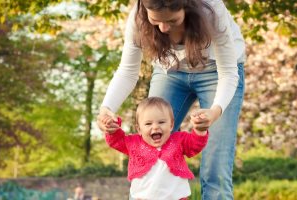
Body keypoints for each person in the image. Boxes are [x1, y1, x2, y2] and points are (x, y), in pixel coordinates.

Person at [97, 0, 245, 198]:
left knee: (216, 168)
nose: (164, 27)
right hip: (170, 71)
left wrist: (215, 111)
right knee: (147, 147)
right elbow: (127, 71)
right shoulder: (138, 17)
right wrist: (107, 108)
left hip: (217, 71)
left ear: (187, 7)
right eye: (156, 20)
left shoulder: (211, 9)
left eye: (172, 20)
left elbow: (228, 72)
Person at [102, 97, 209, 199]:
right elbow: (116, 141)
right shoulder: (134, 143)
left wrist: (200, 131)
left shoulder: (178, 140)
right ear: (139, 129)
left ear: (171, 125)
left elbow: (195, 144)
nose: (155, 127)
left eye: (161, 122)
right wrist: (112, 129)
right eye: (148, 123)